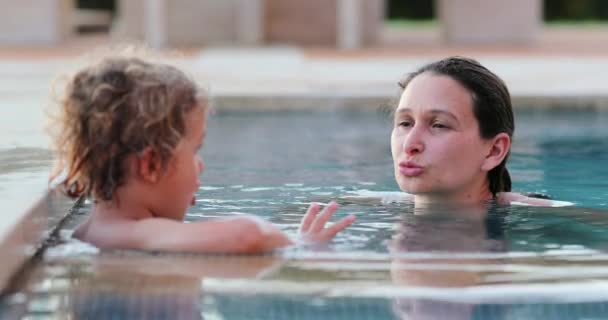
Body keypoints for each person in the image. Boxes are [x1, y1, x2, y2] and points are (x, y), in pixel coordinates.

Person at [48, 54, 355, 253]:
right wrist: (300, 243)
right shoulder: (131, 233)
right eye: (195, 149)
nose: (201, 165)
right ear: (152, 165)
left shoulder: (90, 231)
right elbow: (246, 235)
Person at [390, 56, 570, 207]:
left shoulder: (548, 224)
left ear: (494, 151)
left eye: (439, 125)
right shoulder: (371, 208)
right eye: (405, 123)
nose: (409, 144)